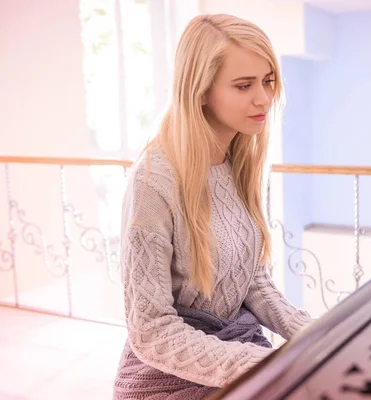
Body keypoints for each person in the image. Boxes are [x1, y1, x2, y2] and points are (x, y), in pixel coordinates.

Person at [113, 14, 314, 399]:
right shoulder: (153, 180)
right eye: (244, 85)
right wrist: (261, 365)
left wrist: (312, 332)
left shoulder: (239, 163)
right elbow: (150, 329)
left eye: (268, 81)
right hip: (167, 374)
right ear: (201, 90)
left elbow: (251, 280)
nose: (264, 98)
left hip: (234, 346)